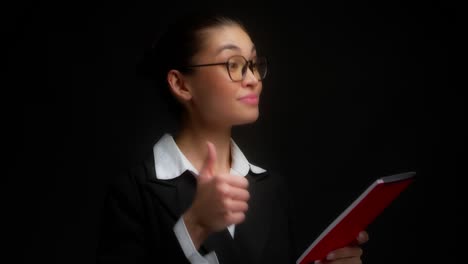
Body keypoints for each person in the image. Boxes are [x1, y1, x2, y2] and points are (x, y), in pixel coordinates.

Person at [95, 12, 369, 264]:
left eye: (252, 64)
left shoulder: (271, 189)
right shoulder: (134, 192)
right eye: (233, 64)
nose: (252, 79)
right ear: (181, 84)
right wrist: (194, 227)